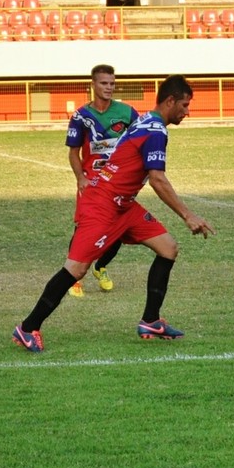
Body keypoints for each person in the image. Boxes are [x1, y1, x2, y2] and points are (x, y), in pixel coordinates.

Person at [12, 75, 215, 353]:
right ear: (170, 101)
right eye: (184, 105)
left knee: (168, 248)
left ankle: (151, 320)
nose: (187, 112)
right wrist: (188, 216)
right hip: (103, 203)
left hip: (124, 204)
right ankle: (27, 327)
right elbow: (157, 179)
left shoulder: (145, 120)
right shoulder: (156, 130)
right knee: (77, 268)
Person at [65, 64, 138, 297]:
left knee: (117, 229)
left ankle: (100, 266)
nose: (109, 87)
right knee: (82, 230)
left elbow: (141, 142)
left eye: (112, 83)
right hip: (92, 184)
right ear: (93, 85)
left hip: (118, 183)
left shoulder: (127, 113)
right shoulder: (81, 116)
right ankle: (73, 277)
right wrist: (80, 178)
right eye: (104, 83)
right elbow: (73, 152)